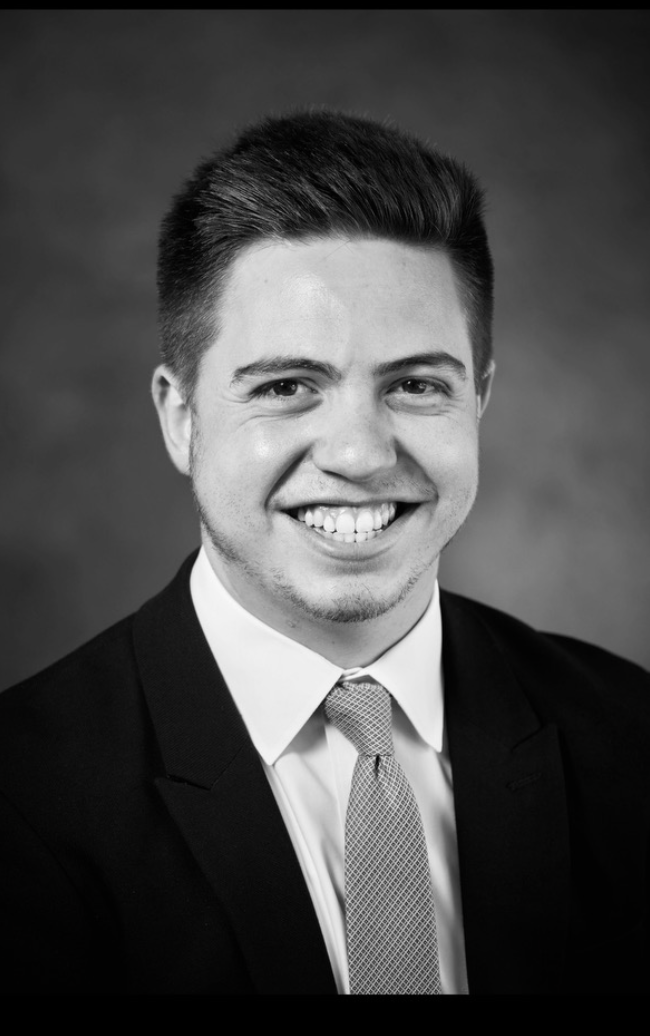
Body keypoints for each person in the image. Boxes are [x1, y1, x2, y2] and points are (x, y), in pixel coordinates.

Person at [1, 108, 648, 997]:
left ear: (479, 401)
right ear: (180, 418)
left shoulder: (631, 739)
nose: (360, 454)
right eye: (287, 387)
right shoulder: (23, 795)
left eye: (417, 385)